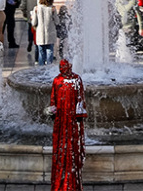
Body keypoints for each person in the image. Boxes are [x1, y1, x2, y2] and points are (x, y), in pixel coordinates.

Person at [50, 60, 87, 191]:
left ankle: (66, 182)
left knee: (65, 150)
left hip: (65, 124)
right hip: (68, 123)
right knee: (70, 150)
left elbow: (53, 103)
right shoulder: (74, 80)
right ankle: (71, 182)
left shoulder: (59, 81)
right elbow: (80, 102)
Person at [31, 0, 58, 66]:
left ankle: (41, 68)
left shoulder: (37, 8)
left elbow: (34, 22)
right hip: (50, 33)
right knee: (50, 51)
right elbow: (57, 21)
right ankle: (49, 68)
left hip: (40, 33)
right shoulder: (52, 9)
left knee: (41, 52)